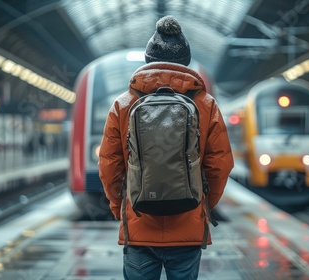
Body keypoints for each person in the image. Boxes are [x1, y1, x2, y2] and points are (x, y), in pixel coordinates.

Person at [98, 15, 234, 280]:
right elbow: (219, 165)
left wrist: (120, 207)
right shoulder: (206, 105)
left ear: (148, 61)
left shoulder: (123, 105)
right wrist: (202, 206)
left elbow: (108, 166)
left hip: (138, 225)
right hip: (188, 226)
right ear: (186, 63)